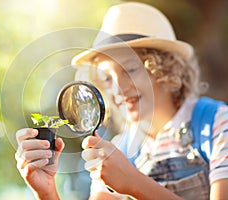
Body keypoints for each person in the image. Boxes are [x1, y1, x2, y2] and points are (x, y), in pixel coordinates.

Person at [15, 2, 228, 199]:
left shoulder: (216, 123)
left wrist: (133, 182)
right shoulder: (118, 151)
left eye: (131, 69)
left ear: (166, 68)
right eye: (107, 78)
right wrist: (47, 191)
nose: (117, 88)